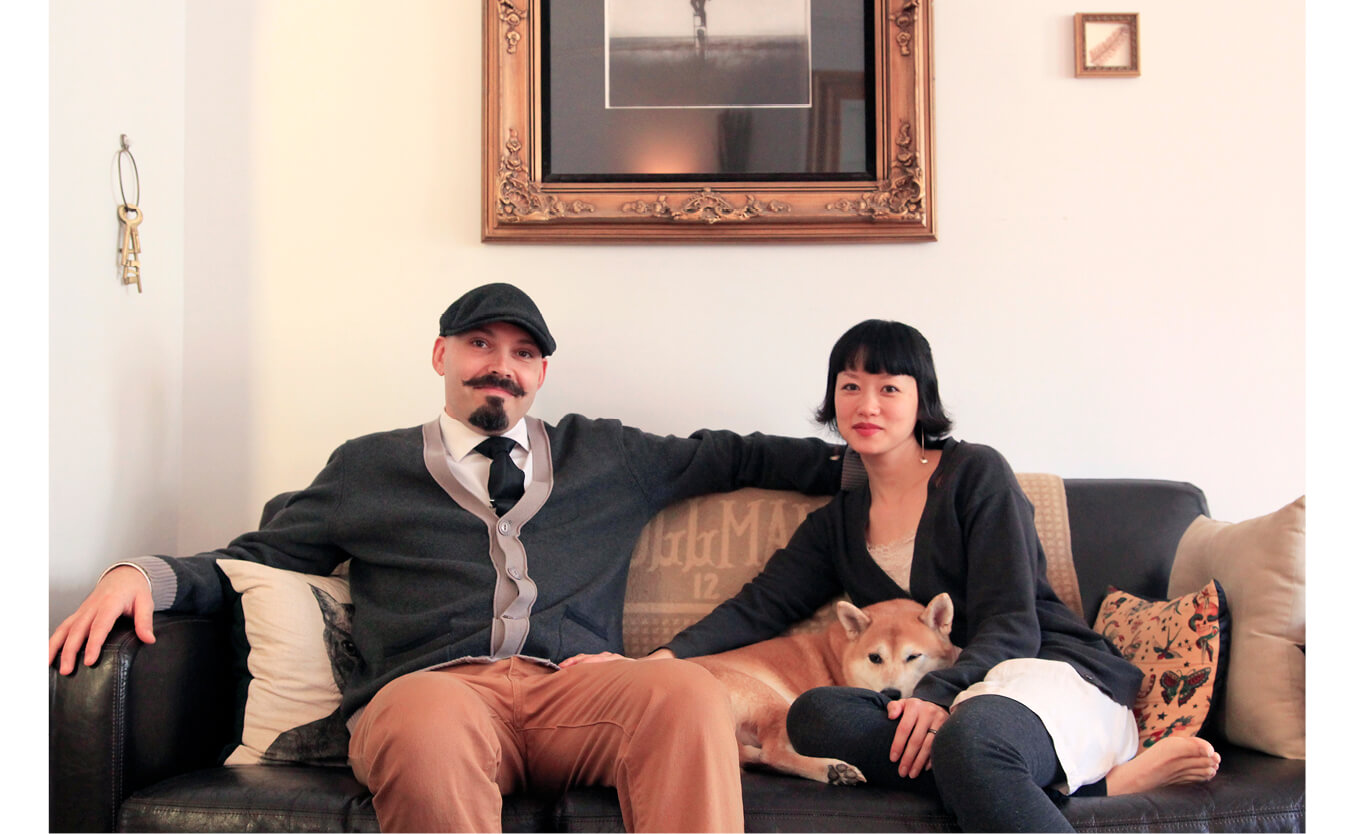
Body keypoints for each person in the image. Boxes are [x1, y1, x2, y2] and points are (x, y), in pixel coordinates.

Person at [48, 282, 847, 834]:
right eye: (479, 344)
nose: (501, 364)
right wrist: (140, 575)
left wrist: (887, 462)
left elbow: (739, 455)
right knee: (424, 716)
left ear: (540, 373)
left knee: (682, 692)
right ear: (440, 355)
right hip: (434, 695)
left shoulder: (609, 454)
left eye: (522, 353)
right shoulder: (368, 467)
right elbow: (254, 559)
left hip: (576, 694)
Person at [655, 319, 1221, 832]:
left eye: (889, 388)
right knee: (814, 716)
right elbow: (762, 605)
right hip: (935, 706)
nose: (867, 404)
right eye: (850, 386)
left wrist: (938, 695)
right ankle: (1084, 786)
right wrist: (661, 660)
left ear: (921, 398)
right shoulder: (838, 523)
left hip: (1037, 675)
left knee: (970, 739)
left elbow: (1013, 622)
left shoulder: (976, 474)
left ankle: (1079, 777)